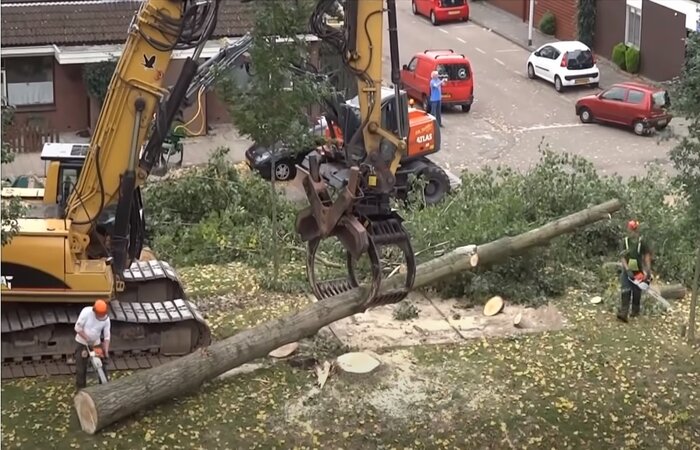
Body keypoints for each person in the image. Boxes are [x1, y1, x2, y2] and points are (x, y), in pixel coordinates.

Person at [617, 219, 652, 322]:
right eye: (630, 230)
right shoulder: (625, 242)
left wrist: (648, 270)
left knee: (637, 291)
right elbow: (622, 257)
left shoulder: (642, 242)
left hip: (638, 270)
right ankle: (624, 312)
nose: (631, 232)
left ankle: (635, 311)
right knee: (625, 289)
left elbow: (646, 256)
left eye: (633, 230)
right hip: (627, 269)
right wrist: (627, 269)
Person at [74, 299, 111, 390]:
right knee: (81, 369)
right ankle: (81, 389)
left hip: (96, 343)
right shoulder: (86, 312)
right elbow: (77, 328)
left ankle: (104, 387)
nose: (102, 317)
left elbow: (106, 337)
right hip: (82, 342)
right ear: (95, 312)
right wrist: (87, 338)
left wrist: (105, 351)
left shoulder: (106, 319)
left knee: (101, 366)